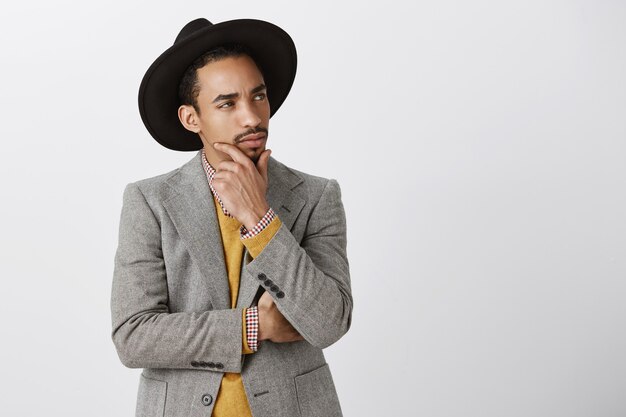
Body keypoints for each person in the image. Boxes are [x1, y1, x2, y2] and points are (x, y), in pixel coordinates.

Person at [110, 17, 353, 417]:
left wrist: (259, 218)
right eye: (228, 103)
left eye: (258, 97)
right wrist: (253, 326)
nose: (252, 117)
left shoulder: (316, 196)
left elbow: (329, 322)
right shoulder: (149, 201)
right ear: (191, 118)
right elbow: (133, 336)